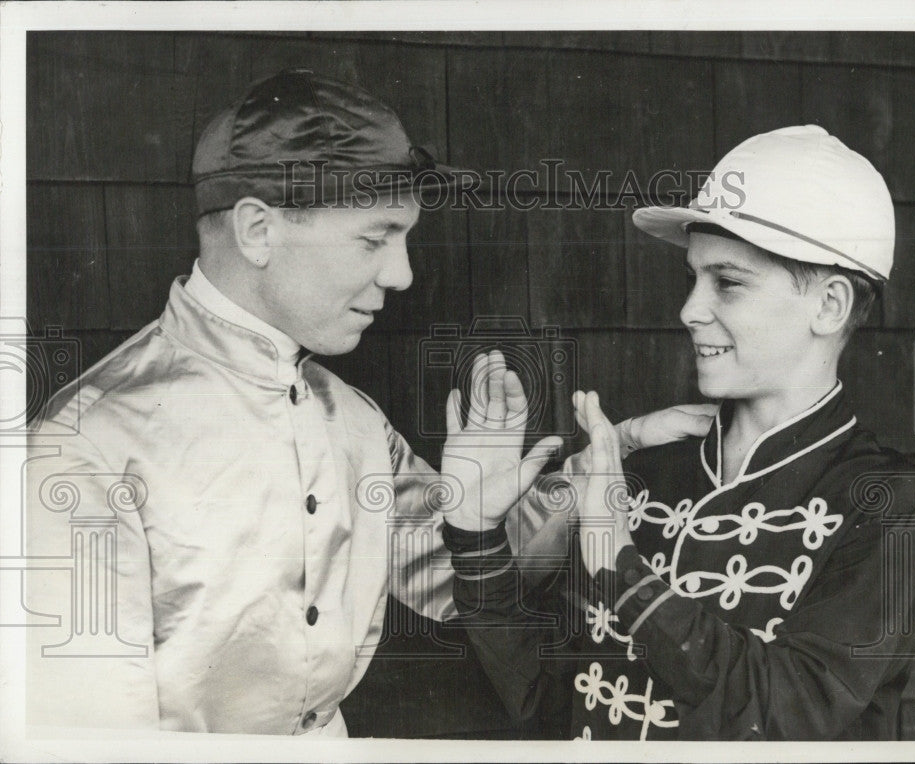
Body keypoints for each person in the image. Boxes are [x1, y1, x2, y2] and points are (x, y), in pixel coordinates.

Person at [23, 69, 571, 736]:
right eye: (376, 237)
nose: (401, 274)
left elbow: (464, 589)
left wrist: (488, 517)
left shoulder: (357, 422)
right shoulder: (88, 444)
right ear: (258, 231)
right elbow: (90, 740)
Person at [441, 125, 915, 740]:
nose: (689, 310)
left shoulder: (890, 508)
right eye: (693, 278)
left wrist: (619, 564)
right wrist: (475, 533)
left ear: (830, 305)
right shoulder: (645, 472)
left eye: (727, 282)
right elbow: (546, 703)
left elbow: (786, 715)